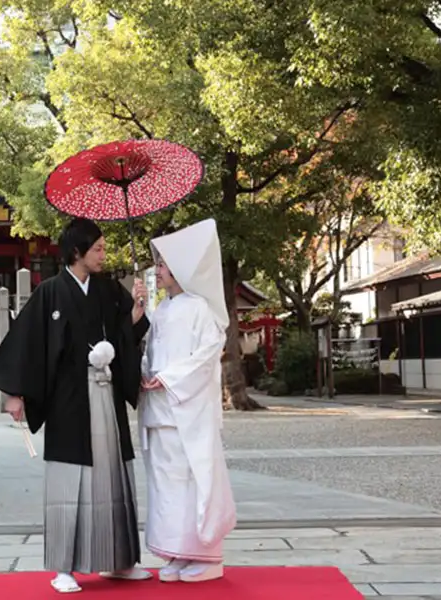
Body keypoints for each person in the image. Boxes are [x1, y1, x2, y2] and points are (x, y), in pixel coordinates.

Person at [0, 218, 152, 593]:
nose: (104, 255)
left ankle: (119, 561)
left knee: (112, 476)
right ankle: (64, 567)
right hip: (68, 401)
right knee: (69, 482)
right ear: (77, 252)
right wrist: (14, 393)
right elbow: (26, 343)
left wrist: (138, 309)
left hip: (105, 394)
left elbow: (127, 334)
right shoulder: (51, 293)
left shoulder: (107, 289)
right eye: (98, 249)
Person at [139, 218, 236, 583]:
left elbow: (208, 354)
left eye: (163, 263)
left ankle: (208, 554)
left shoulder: (200, 308)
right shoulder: (161, 309)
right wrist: (146, 372)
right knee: (166, 482)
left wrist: (168, 378)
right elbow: (150, 351)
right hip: (161, 408)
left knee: (193, 478)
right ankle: (177, 551)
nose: (158, 270)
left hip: (187, 407)